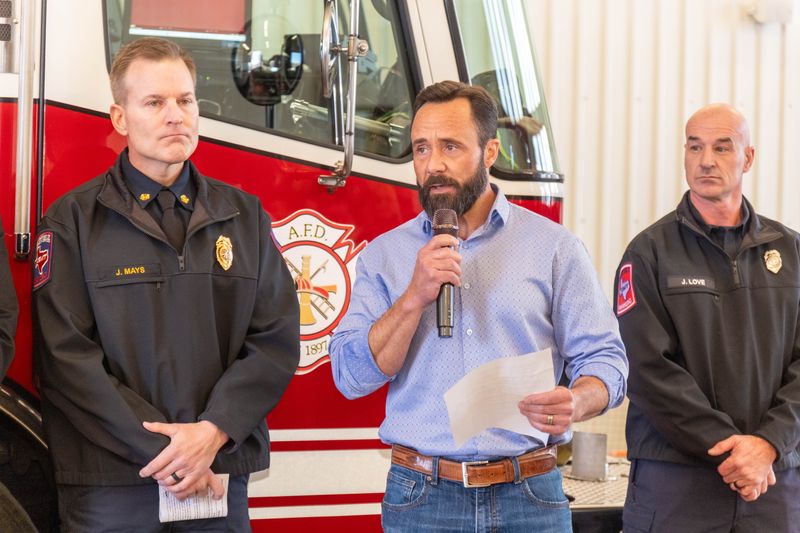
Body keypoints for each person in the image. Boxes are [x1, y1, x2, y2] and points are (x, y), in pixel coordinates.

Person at [330, 81, 628, 531]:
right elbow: (350, 377)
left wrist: (578, 399)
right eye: (421, 149)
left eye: (451, 146)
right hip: (422, 500)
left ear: (490, 153)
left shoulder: (553, 248)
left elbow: (608, 361)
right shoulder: (385, 256)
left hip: (530, 495)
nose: (434, 165)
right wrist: (414, 296)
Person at [33, 37, 300, 531]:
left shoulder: (244, 217)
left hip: (217, 470)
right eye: (155, 102)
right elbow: (65, 358)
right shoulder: (71, 222)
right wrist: (173, 453)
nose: (175, 115)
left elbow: (276, 341)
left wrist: (212, 435)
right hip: (116, 484)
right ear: (119, 118)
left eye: (186, 100)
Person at [615, 103, 800, 532]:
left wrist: (769, 445)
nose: (705, 161)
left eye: (722, 147)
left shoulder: (791, 253)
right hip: (678, 483)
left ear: (747, 158)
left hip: (772, 482)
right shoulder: (649, 254)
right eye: (694, 147)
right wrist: (735, 452)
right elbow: (645, 369)